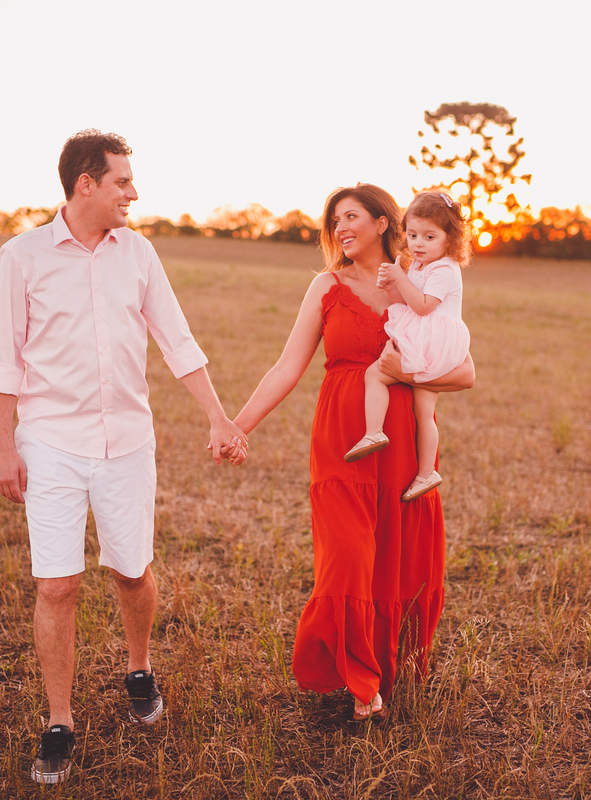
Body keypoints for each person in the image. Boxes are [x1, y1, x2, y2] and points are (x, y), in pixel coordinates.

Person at [0, 129, 247, 785]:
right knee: (57, 583)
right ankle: (59, 721)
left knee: (132, 572)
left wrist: (218, 416)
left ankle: (139, 667)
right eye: (122, 182)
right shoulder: (22, 255)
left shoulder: (140, 253)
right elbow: (3, 358)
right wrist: (3, 446)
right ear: (86, 185)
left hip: (127, 443)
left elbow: (176, 340)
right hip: (50, 443)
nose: (133, 193)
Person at [232, 184, 475, 722]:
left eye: (350, 217)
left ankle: (387, 669)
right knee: (346, 557)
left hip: (403, 445)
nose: (340, 229)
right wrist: (238, 425)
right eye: (334, 221)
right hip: (343, 443)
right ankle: (360, 679)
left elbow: (465, 372)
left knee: (396, 560)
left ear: (383, 223)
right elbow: (287, 367)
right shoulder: (326, 286)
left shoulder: (418, 283)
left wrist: (405, 373)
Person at [344, 192, 472, 502]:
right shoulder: (419, 264)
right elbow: (406, 300)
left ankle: (374, 431)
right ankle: (427, 473)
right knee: (423, 412)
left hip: (433, 340)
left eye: (429, 237)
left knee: (375, 375)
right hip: (427, 337)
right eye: (413, 235)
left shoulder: (445, 268)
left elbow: (424, 305)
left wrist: (399, 277)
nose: (418, 244)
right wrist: (391, 285)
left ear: (450, 238)